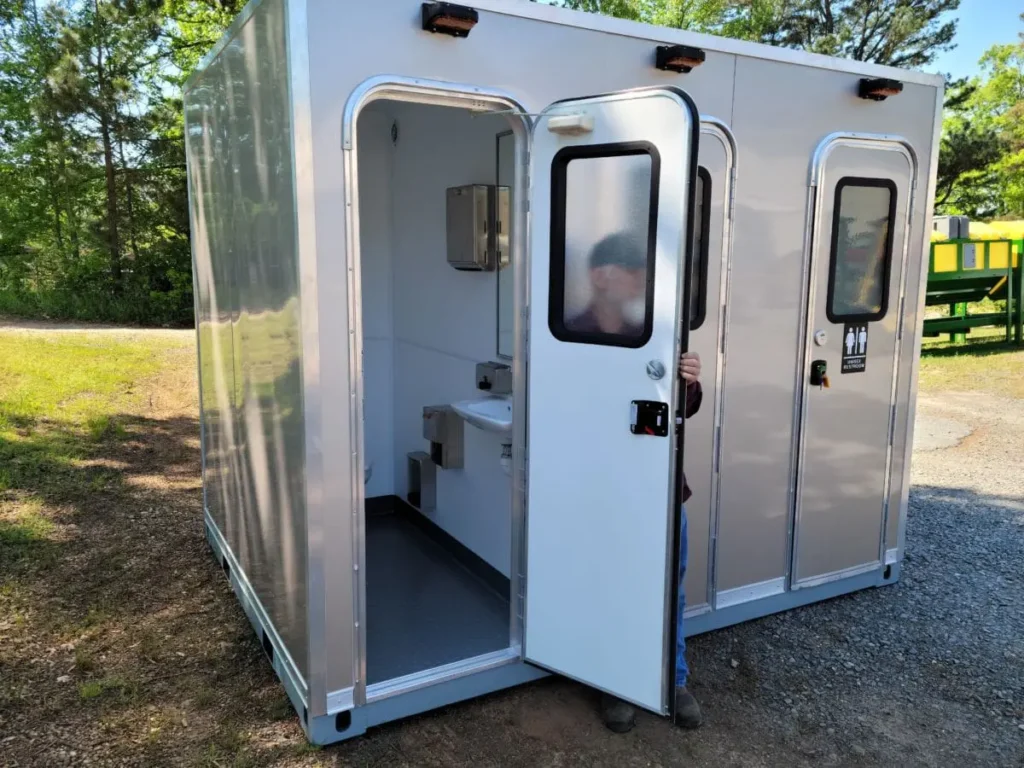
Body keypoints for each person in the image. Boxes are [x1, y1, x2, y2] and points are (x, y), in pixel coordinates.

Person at [600, 349, 704, 734]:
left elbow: (682, 410)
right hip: (610, 490)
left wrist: (689, 381)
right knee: (618, 588)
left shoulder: (661, 334)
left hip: (664, 488)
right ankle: (617, 682)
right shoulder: (585, 338)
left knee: (669, 589)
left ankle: (673, 680)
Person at [565, 232, 648, 337]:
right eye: (631, 270)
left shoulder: (641, 333)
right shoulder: (570, 331)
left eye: (641, 272)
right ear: (599, 277)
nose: (640, 279)